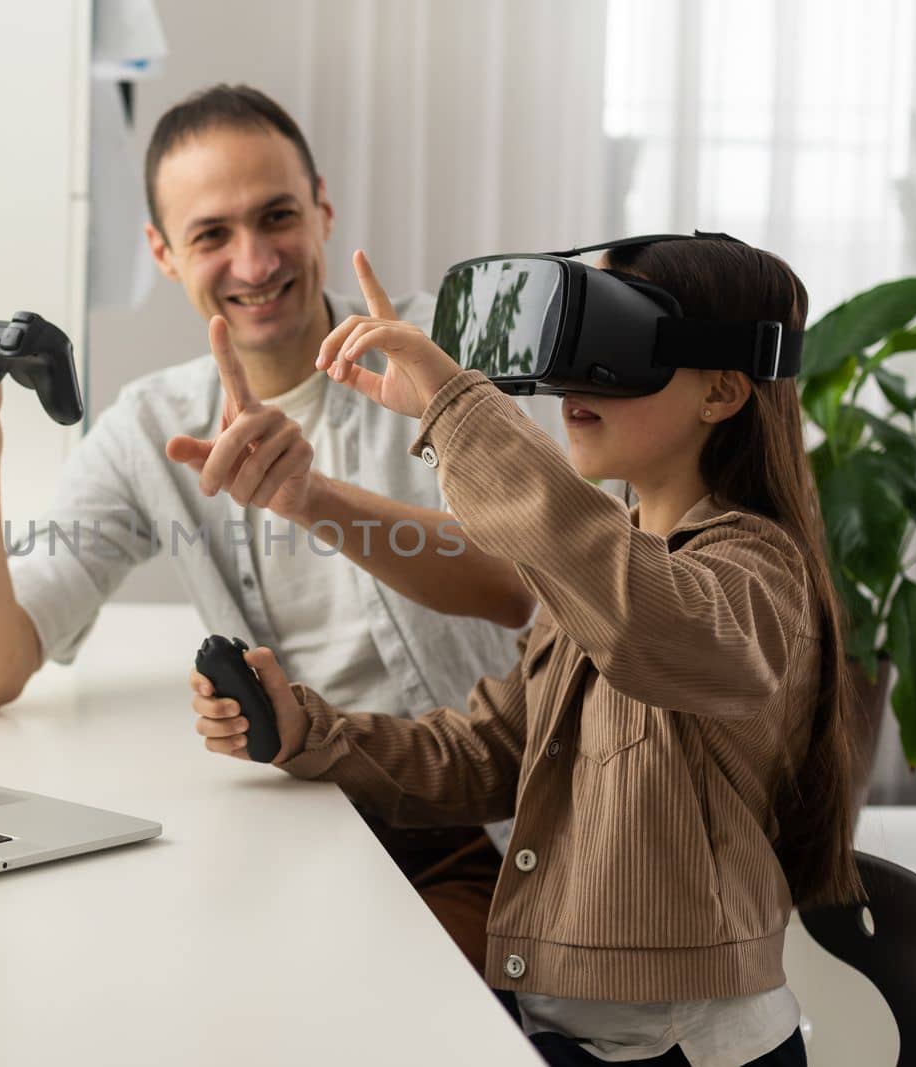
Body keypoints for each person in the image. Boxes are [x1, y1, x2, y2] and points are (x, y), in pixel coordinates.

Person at [0, 85, 550, 965]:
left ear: (321, 208)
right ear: (163, 251)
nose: (254, 260)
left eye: (277, 215)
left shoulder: (435, 353)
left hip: (470, 820)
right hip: (296, 820)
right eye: (211, 235)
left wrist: (313, 498)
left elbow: (522, 586)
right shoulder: (150, 427)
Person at [188, 237, 861, 1066]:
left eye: (617, 346)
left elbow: (643, 619)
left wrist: (455, 408)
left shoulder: (756, 578)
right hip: (560, 1026)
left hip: (683, 1049)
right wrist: (310, 730)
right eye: (574, 350)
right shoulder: (611, 557)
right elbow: (490, 752)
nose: (576, 384)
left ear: (722, 389)